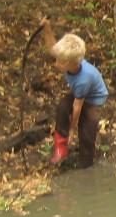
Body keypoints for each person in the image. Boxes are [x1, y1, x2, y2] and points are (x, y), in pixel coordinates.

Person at [41, 16, 109, 168]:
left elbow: (77, 107)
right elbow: (52, 46)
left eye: (61, 62)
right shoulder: (66, 59)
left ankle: (85, 165)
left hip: (94, 100)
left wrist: (72, 130)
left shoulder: (83, 78)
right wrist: (47, 28)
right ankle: (61, 146)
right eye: (57, 60)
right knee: (62, 107)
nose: (57, 64)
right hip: (80, 93)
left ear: (74, 63)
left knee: (86, 132)